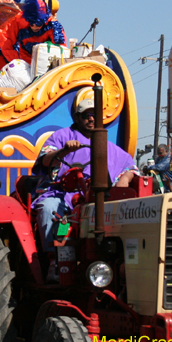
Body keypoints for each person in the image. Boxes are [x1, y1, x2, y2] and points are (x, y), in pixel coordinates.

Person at [33, 98, 139, 281]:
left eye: (95, 116)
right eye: (87, 115)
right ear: (77, 117)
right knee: (50, 208)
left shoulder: (110, 147)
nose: (91, 119)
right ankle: (55, 260)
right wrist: (63, 151)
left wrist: (126, 177)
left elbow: (131, 168)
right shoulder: (61, 136)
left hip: (94, 197)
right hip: (62, 194)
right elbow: (45, 160)